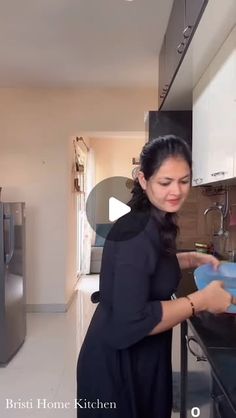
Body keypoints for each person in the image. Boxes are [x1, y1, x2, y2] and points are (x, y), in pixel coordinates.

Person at [76, 135, 234, 418]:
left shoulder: (152, 218)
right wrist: (201, 300)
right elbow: (133, 318)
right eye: (165, 182)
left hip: (142, 359)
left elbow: (146, 267)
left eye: (183, 181)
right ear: (144, 180)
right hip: (118, 368)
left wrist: (188, 258)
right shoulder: (136, 230)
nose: (176, 191)